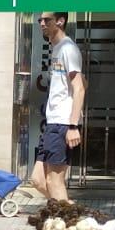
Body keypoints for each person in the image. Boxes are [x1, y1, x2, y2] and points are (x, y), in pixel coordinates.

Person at [29, 12, 84, 201]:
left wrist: (73, 126)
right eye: (40, 21)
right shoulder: (57, 48)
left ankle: (66, 222)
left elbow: (80, 88)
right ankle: (67, 211)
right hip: (53, 122)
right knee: (37, 180)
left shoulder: (68, 48)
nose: (42, 24)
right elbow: (83, 82)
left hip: (63, 123)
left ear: (60, 21)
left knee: (54, 181)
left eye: (47, 20)